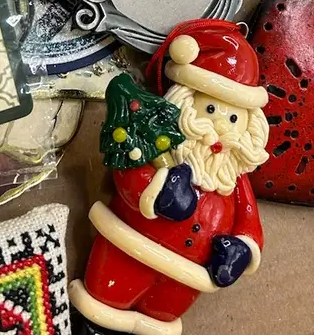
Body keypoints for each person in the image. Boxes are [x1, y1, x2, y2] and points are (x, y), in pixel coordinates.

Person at [70, 19, 270, 335]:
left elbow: (249, 222)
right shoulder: (159, 148)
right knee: (103, 312)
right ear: (185, 103)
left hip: (183, 279)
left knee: (157, 321)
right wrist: (158, 191)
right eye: (210, 110)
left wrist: (242, 250)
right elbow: (129, 175)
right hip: (127, 253)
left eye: (233, 118)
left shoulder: (231, 177)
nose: (220, 126)